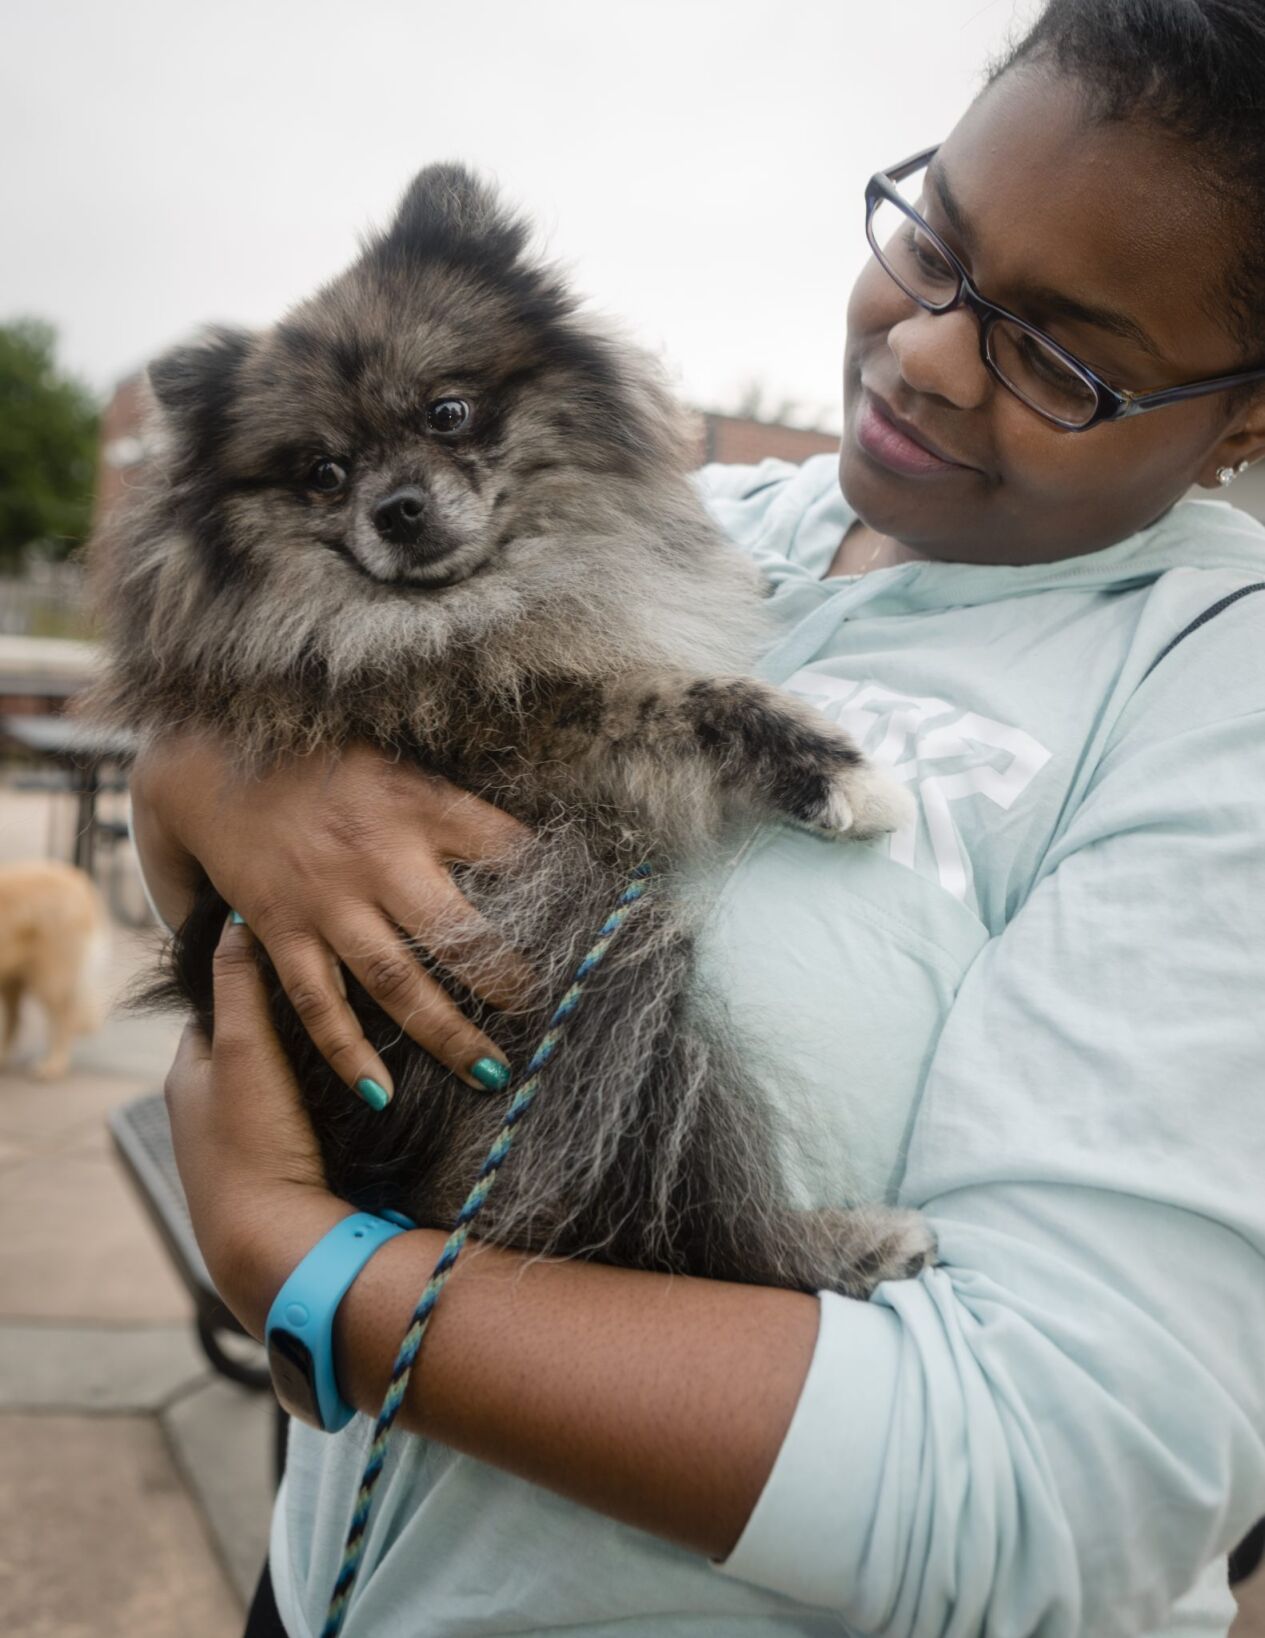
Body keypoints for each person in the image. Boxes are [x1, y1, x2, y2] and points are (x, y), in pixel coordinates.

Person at [134, 2, 1265, 1632]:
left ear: (1246, 415)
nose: (929, 350)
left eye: (1060, 353)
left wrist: (310, 1274)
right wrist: (221, 766)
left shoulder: (1210, 688)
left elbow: (1052, 1488)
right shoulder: (717, 516)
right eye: (931, 239)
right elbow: (247, 696)